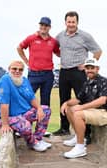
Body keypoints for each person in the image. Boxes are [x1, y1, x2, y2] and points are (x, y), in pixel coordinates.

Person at [53, 11, 102, 140]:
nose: (71, 24)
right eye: (68, 22)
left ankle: (86, 134)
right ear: (65, 22)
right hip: (64, 71)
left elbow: (98, 51)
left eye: (73, 22)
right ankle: (64, 128)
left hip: (78, 72)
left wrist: (87, 65)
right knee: (64, 99)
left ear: (77, 22)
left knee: (83, 99)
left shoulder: (85, 36)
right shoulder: (60, 36)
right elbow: (56, 50)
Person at [0, 60, 52, 152]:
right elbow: (4, 105)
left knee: (46, 110)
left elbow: (31, 97)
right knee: (26, 125)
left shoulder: (24, 80)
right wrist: (4, 124)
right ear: (9, 69)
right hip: (7, 116)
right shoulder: (5, 80)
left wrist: (39, 108)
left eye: (20, 69)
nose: (17, 71)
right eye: (14, 69)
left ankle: (38, 139)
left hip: (22, 112)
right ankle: (33, 143)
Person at [61, 57, 107, 159]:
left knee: (78, 113)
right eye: (87, 68)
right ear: (84, 70)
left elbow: (102, 100)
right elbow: (78, 99)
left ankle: (80, 147)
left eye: (92, 68)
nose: (89, 70)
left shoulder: (104, 81)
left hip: (103, 112)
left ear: (97, 69)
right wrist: (66, 103)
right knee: (69, 109)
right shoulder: (87, 83)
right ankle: (79, 137)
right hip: (93, 111)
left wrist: (81, 107)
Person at [17, 17, 60, 107]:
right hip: (34, 74)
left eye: (46, 25)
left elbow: (58, 53)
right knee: (28, 98)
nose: (43, 27)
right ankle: (27, 121)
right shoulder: (31, 38)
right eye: (42, 25)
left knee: (45, 101)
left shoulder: (53, 41)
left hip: (47, 75)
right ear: (39, 25)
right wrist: (26, 61)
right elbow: (19, 48)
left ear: (49, 27)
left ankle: (43, 121)